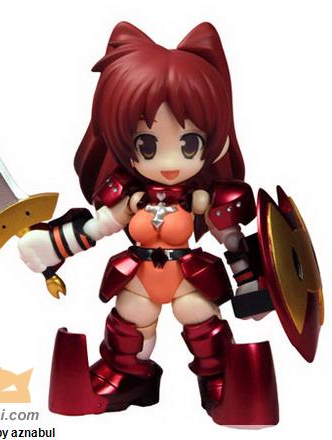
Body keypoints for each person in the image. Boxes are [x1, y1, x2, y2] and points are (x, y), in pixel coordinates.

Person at [18, 21, 278, 426]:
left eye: (189, 143)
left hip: (187, 276)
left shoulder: (204, 200)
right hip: (139, 276)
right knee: (128, 327)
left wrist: (251, 286)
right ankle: (125, 378)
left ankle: (222, 381)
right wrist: (53, 245)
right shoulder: (129, 197)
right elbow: (98, 227)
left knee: (203, 325)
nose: (169, 163)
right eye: (147, 145)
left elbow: (233, 241)